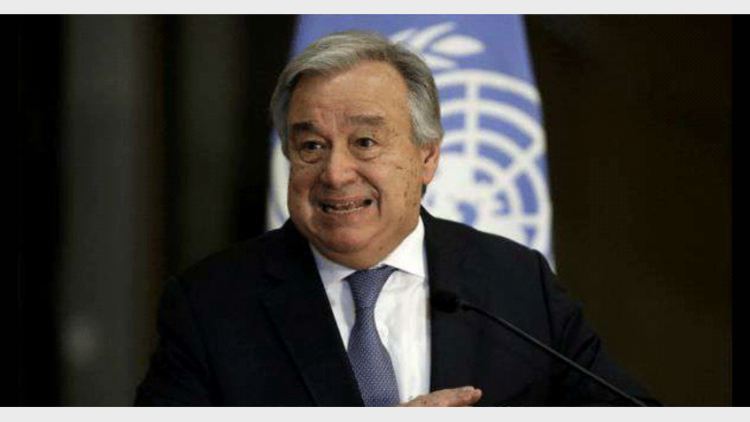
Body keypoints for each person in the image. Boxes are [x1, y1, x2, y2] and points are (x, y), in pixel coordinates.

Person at [135, 30, 658, 406]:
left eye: (365, 142)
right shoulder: (212, 306)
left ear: (427, 157)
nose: (335, 173)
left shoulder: (515, 286)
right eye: (311, 146)